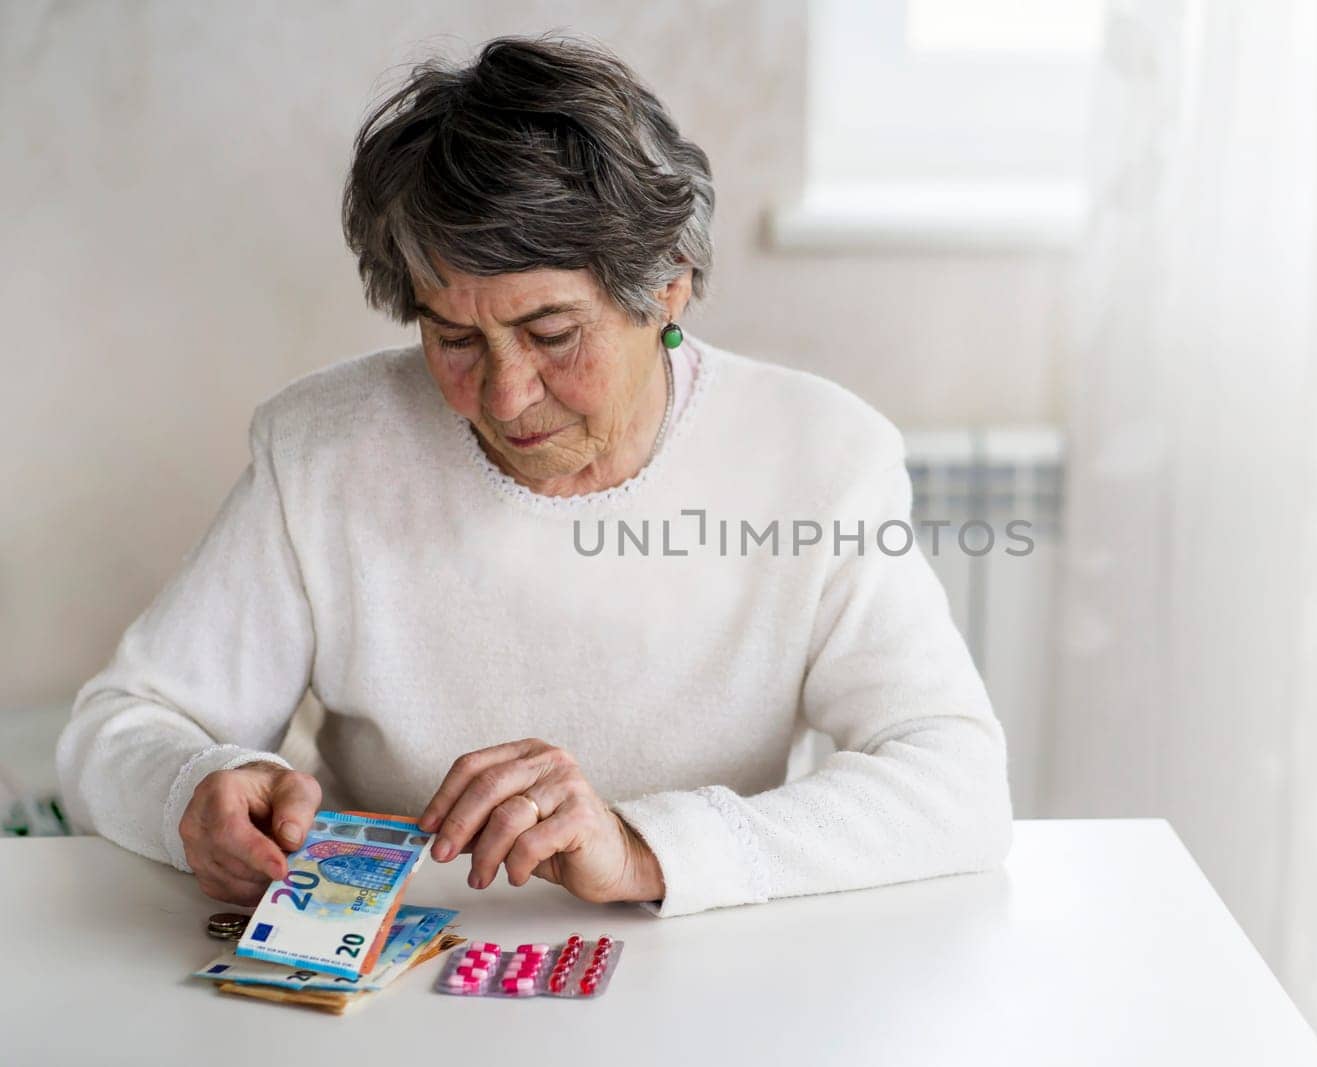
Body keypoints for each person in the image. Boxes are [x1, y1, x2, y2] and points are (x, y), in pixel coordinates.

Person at [56, 34, 1012, 917]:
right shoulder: (324, 448)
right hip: (391, 976)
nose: (505, 397)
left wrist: (643, 846)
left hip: (699, 969)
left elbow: (956, 781)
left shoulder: (822, 457)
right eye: (454, 337)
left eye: (553, 334)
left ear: (669, 284)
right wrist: (195, 789)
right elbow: (120, 726)